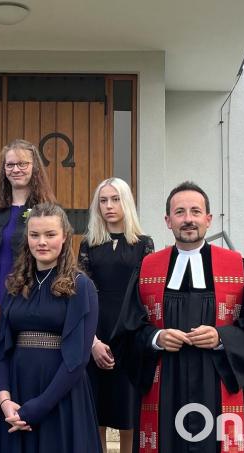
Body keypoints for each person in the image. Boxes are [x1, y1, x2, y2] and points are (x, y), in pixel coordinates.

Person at [113, 181, 244, 453]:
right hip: (166, 387)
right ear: (168, 221)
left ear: (208, 219)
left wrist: (222, 337)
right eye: (180, 212)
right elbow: (125, 332)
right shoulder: (147, 269)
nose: (188, 219)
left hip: (218, 383)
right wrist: (156, 337)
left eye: (195, 211)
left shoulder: (238, 267)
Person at [0, 202, 102, 453]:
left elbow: (77, 359)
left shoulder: (81, 286)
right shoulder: (14, 286)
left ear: (64, 237)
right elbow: (1, 352)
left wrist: (39, 407)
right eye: (34, 235)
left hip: (61, 397)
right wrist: (6, 401)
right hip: (17, 395)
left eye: (50, 234)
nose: (42, 242)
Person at [0, 139, 55, 437]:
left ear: (34, 168)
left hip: (30, 302)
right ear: (3, 170)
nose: (16, 169)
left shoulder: (46, 211)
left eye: (22, 164)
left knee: (27, 385)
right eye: (10, 164)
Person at [78, 177, 153, 453]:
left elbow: (147, 295)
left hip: (130, 334)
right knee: (97, 411)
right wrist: (92, 342)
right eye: (103, 200)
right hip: (96, 333)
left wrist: (134, 337)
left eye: (115, 199)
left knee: (128, 414)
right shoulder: (88, 245)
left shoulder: (143, 244)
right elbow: (82, 296)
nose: (109, 206)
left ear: (126, 202)